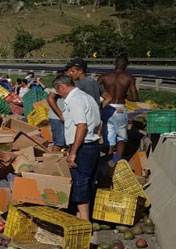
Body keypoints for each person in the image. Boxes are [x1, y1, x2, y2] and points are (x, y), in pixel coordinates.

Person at [52, 74, 101, 220]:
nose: (59, 95)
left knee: (80, 182)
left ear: (62, 87)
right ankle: (82, 215)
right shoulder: (87, 97)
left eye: (58, 92)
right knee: (88, 180)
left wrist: (73, 152)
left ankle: (85, 220)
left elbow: (81, 125)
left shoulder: (75, 100)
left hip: (82, 146)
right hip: (91, 144)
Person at [98, 55, 139, 161]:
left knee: (109, 133)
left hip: (107, 107)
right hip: (120, 109)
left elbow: (94, 91)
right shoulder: (128, 77)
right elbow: (135, 98)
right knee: (121, 136)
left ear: (114, 63)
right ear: (126, 65)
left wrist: (104, 97)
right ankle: (119, 159)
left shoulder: (105, 76)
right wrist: (124, 96)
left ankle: (109, 157)